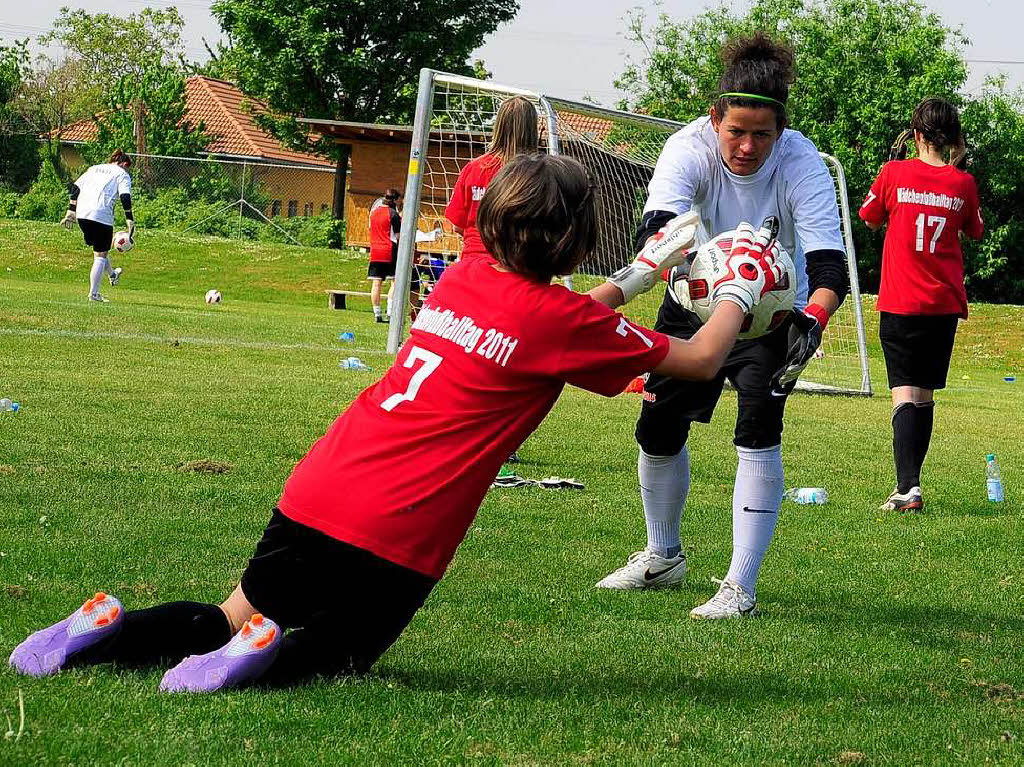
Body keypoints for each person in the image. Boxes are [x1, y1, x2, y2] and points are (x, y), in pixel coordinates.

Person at [9, 154, 785, 692]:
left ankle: (107, 633)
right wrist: (738, 287)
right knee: (338, 655)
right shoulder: (558, 321)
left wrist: (641, 272)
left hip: (320, 488)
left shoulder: (465, 278)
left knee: (228, 612)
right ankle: (266, 656)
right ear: (577, 238)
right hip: (401, 527)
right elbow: (702, 357)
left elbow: (556, 320)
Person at [595, 32, 850, 620]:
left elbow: (827, 261)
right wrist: (647, 286)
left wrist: (814, 316)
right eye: (736, 130)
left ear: (781, 129)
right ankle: (662, 555)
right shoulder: (686, 148)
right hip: (694, 303)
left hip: (778, 314)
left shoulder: (802, 161)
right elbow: (658, 233)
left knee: (757, 430)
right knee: (657, 429)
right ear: (715, 118)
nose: (747, 146)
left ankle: (740, 587)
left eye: (763, 134)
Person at [858, 97, 983, 512]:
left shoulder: (894, 172)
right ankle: (911, 483)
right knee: (925, 395)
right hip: (943, 304)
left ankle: (907, 487)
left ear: (915, 135)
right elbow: (975, 231)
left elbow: (870, 216)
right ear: (951, 137)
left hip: (901, 300)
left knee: (904, 393)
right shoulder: (962, 183)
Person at [445, 95, 539, 265]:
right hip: (518, 266)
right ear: (532, 129)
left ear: (499, 126)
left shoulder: (475, 168)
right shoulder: (537, 174)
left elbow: (457, 225)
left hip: (473, 265)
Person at [61, 148, 135, 303]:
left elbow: (75, 189)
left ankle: (112, 274)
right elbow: (125, 196)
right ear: (124, 164)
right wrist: (129, 218)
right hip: (101, 215)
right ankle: (93, 294)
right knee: (100, 255)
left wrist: (70, 212)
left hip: (82, 214)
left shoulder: (93, 169)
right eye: (128, 168)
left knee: (100, 250)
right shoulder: (122, 174)